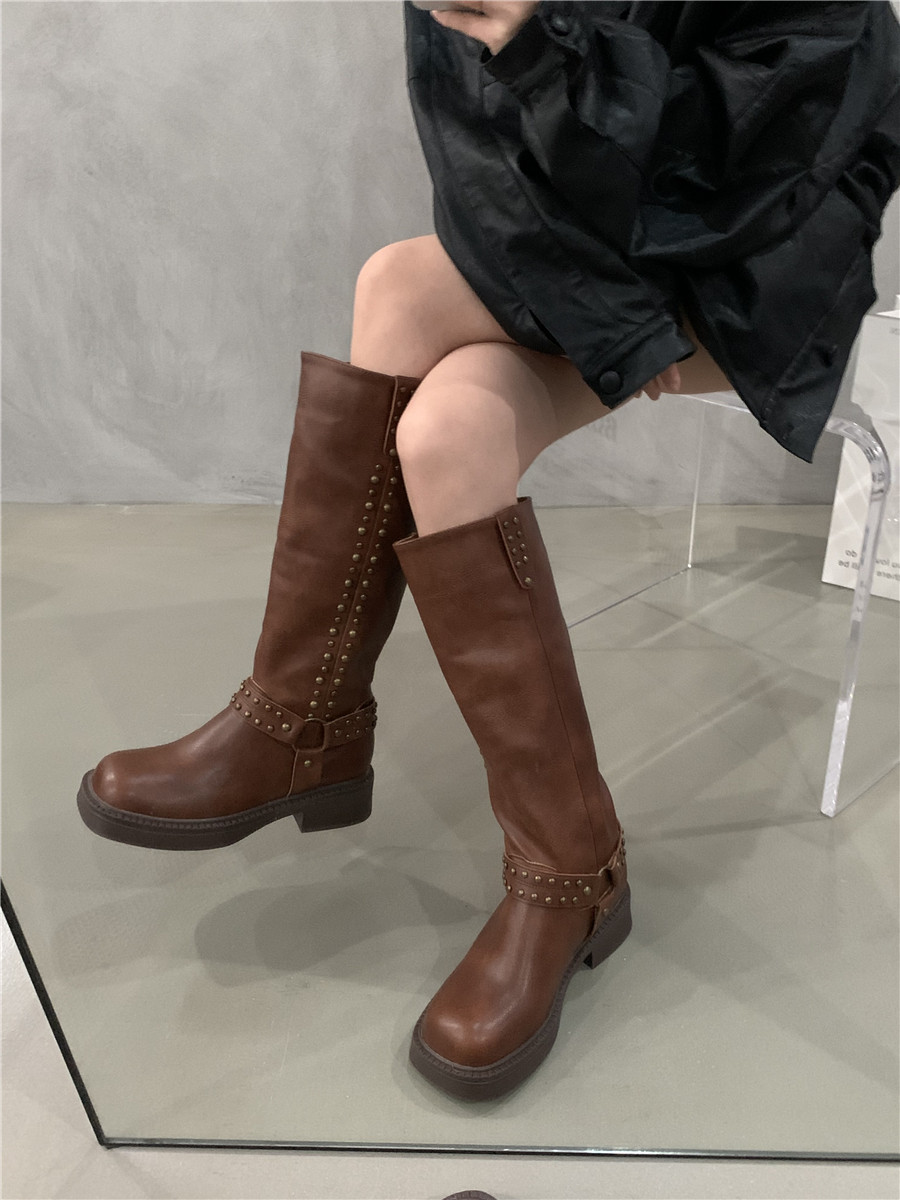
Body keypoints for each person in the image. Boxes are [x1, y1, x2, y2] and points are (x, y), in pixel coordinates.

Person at [75, 1, 900, 1101]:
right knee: (440, 413)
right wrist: (597, 289)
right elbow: (467, 147)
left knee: (404, 311)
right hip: (585, 259)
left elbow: (788, 154)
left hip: (755, 276)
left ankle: (319, 731)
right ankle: (549, 853)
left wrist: (547, 57)